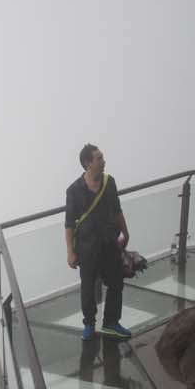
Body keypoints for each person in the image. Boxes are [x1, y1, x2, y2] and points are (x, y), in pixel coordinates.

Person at [65, 144, 132, 341]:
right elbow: (69, 224)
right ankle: (89, 325)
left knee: (116, 283)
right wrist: (70, 252)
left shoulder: (109, 182)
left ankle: (111, 322)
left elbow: (117, 210)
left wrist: (125, 233)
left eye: (102, 157)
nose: (104, 161)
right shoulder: (74, 190)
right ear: (88, 163)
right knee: (87, 287)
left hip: (109, 243)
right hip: (86, 248)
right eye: (99, 158)